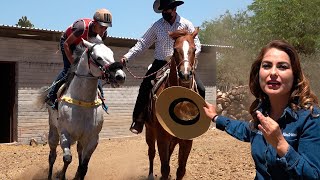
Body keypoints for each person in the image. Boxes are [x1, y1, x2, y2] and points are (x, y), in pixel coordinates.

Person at [203, 40, 320, 179]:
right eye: (267, 66)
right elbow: (245, 129)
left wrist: (281, 145)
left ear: (295, 75)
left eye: (282, 67)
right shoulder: (262, 113)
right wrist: (215, 117)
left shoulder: (311, 118)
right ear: (258, 74)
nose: (273, 72)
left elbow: (313, 175)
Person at [120, 0, 206, 134]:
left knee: (201, 88)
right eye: (163, 10)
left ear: (175, 8)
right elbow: (142, 43)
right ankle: (139, 120)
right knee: (144, 87)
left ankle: (200, 118)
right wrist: (127, 57)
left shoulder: (187, 24)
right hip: (160, 62)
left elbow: (197, 45)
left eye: (168, 9)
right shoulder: (157, 26)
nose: (165, 12)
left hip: (182, 63)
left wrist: (187, 58)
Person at [45, 8, 112, 109]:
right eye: (101, 27)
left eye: (106, 28)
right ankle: (51, 96)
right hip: (68, 44)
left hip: (83, 45)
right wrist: (73, 63)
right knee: (69, 69)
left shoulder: (103, 34)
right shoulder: (81, 28)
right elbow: (66, 44)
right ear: (94, 23)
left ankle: (101, 98)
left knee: (95, 70)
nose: (103, 30)